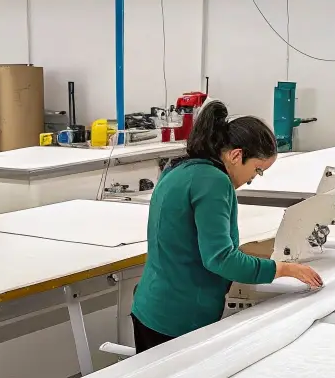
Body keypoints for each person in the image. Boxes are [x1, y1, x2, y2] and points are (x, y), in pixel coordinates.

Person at [130, 101, 322, 352]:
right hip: (179, 321)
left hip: (153, 308)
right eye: (258, 170)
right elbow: (220, 259)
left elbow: (192, 243)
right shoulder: (214, 181)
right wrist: (284, 269)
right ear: (236, 155)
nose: (254, 179)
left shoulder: (179, 167)